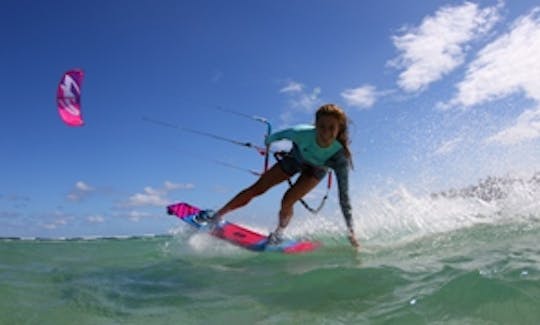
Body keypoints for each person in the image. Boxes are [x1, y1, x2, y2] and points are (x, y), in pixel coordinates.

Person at [201, 103, 359, 250]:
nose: (326, 132)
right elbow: (277, 136)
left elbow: (343, 197)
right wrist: (268, 140)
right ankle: (216, 216)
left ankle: (278, 234)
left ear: (340, 129)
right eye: (322, 126)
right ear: (315, 125)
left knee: (287, 200)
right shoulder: (301, 133)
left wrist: (351, 231)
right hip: (295, 159)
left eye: (332, 128)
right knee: (258, 188)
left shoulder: (339, 157)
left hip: (315, 171)